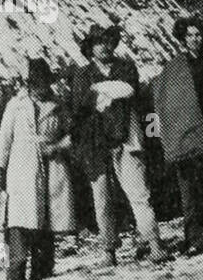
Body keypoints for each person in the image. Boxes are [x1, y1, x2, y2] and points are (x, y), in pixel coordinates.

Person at [71, 23, 169, 267]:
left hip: (127, 139)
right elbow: (80, 106)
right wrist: (103, 92)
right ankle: (109, 250)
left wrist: (100, 91)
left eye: (107, 41)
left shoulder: (126, 67)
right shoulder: (82, 75)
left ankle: (154, 243)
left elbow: (130, 91)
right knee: (102, 199)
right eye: (98, 43)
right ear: (90, 48)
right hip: (96, 144)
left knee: (139, 194)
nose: (103, 46)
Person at [153, 15, 203, 256]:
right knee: (189, 189)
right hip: (186, 135)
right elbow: (163, 104)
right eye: (189, 35)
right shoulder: (174, 68)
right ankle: (194, 236)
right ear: (183, 38)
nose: (194, 39)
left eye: (198, 35)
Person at [0, 58, 75, 280]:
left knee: (45, 220)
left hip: (51, 167)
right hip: (21, 167)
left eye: (43, 83)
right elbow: (4, 140)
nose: (38, 88)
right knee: (17, 222)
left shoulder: (58, 105)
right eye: (34, 83)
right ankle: (14, 273)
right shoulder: (15, 105)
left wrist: (57, 147)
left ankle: (42, 269)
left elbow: (73, 135)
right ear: (28, 84)